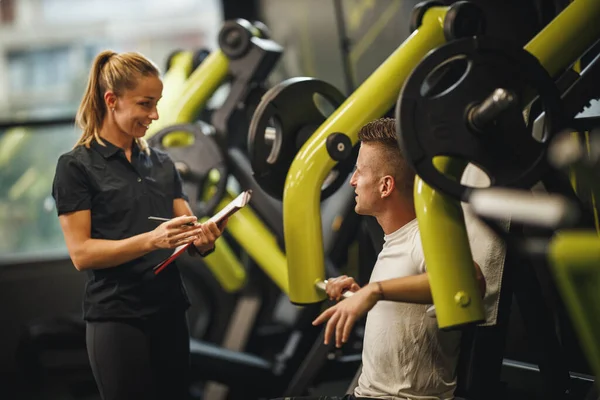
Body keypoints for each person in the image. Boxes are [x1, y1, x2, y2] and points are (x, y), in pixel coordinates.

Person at [51, 50, 225, 400]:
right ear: (111, 100)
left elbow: (186, 231)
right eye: (146, 104)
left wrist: (203, 238)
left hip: (170, 312)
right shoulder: (76, 167)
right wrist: (150, 240)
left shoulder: (161, 164)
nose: (155, 115)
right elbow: (82, 254)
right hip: (117, 318)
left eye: (157, 103)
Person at [280, 118, 487, 400]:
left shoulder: (423, 238)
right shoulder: (395, 241)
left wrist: (376, 291)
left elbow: (470, 282)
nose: (352, 180)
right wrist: (358, 295)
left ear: (385, 186)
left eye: (359, 171)